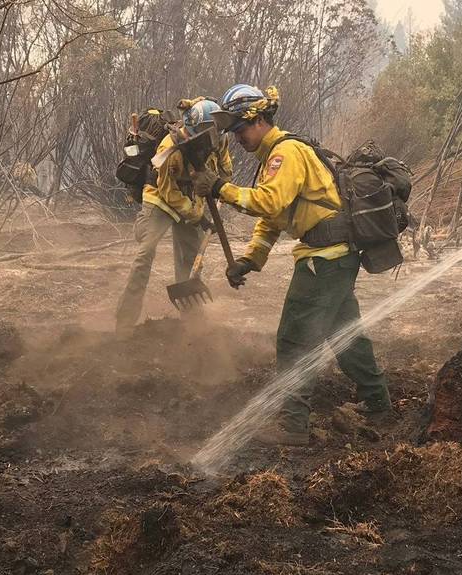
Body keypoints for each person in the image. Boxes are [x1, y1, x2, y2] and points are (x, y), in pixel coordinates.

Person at [192, 84, 390, 446]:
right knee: (345, 333)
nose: (237, 138)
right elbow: (275, 218)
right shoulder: (275, 156)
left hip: (323, 260)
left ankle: (293, 426)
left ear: (260, 120)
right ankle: (378, 402)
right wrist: (251, 259)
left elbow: (268, 202)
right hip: (334, 258)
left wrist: (220, 187)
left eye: (240, 129)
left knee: (294, 339)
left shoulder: (286, 153)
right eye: (233, 131)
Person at [114, 98, 232, 333]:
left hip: (189, 197)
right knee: (145, 252)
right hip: (161, 198)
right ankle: (125, 321)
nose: (208, 139)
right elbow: (169, 192)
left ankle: (191, 320)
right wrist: (199, 217)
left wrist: (222, 187)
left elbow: (225, 168)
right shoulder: (171, 149)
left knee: (189, 254)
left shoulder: (219, 139)